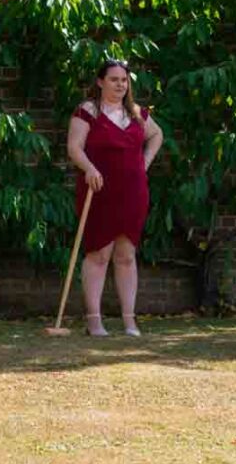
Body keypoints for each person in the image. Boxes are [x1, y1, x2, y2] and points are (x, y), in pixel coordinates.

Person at [65, 58, 164, 336]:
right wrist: (89, 168)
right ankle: (94, 320)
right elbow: (74, 147)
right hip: (98, 189)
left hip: (133, 191)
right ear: (100, 82)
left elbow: (157, 136)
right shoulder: (87, 112)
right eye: (114, 79)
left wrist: (143, 164)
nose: (120, 84)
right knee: (99, 252)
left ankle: (129, 320)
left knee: (126, 254)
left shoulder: (136, 113)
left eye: (124, 80)